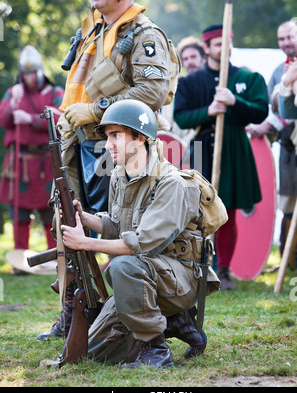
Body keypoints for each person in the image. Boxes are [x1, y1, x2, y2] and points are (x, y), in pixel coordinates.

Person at [38, 0, 176, 339]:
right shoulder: (92, 29)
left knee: (110, 229)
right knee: (69, 221)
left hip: (118, 146)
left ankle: (121, 319)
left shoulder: (145, 34)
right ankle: (73, 311)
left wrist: (96, 110)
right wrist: (68, 113)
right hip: (77, 142)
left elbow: (151, 91)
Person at [60, 99, 220, 368]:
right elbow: (120, 228)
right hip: (148, 273)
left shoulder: (171, 184)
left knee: (122, 267)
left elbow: (141, 243)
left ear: (141, 138)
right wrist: (83, 218)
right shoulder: (120, 176)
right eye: (108, 137)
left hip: (181, 278)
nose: (108, 144)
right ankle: (175, 322)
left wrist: (85, 243)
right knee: (92, 351)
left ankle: (155, 349)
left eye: (115, 136)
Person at [174, 24, 268, 289]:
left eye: (227, 42)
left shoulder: (249, 78)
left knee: (230, 211)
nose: (223, 47)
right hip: (204, 146)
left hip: (235, 146)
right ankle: (198, 267)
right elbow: (181, 115)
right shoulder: (190, 82)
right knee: (200, 211)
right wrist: (209, 110)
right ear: (207, 48)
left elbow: (261, 111)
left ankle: (223, 270)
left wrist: (235, 102)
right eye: (217, 44)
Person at [0, 45, 64, 256]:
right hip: (19, 161)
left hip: (46, 161)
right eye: (25, 73)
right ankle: (20, 258)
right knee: (19, 213)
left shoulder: (54, 93)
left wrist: (32, 119)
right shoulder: (13, 92)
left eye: (32, 72)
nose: (29, 77)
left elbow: (61, 118)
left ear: (40, 71)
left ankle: (54, 258)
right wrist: (13, 106)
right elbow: (3, 119)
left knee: (50, 211)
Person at [247, 21, 297, 259]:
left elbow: (288, 115)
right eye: (282, 39)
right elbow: (276, 109)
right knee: (287, 205)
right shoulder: (279, 70)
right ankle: (289, 261)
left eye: (290, 37)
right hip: (289, 148)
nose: (287, 42)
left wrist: (267, 125)